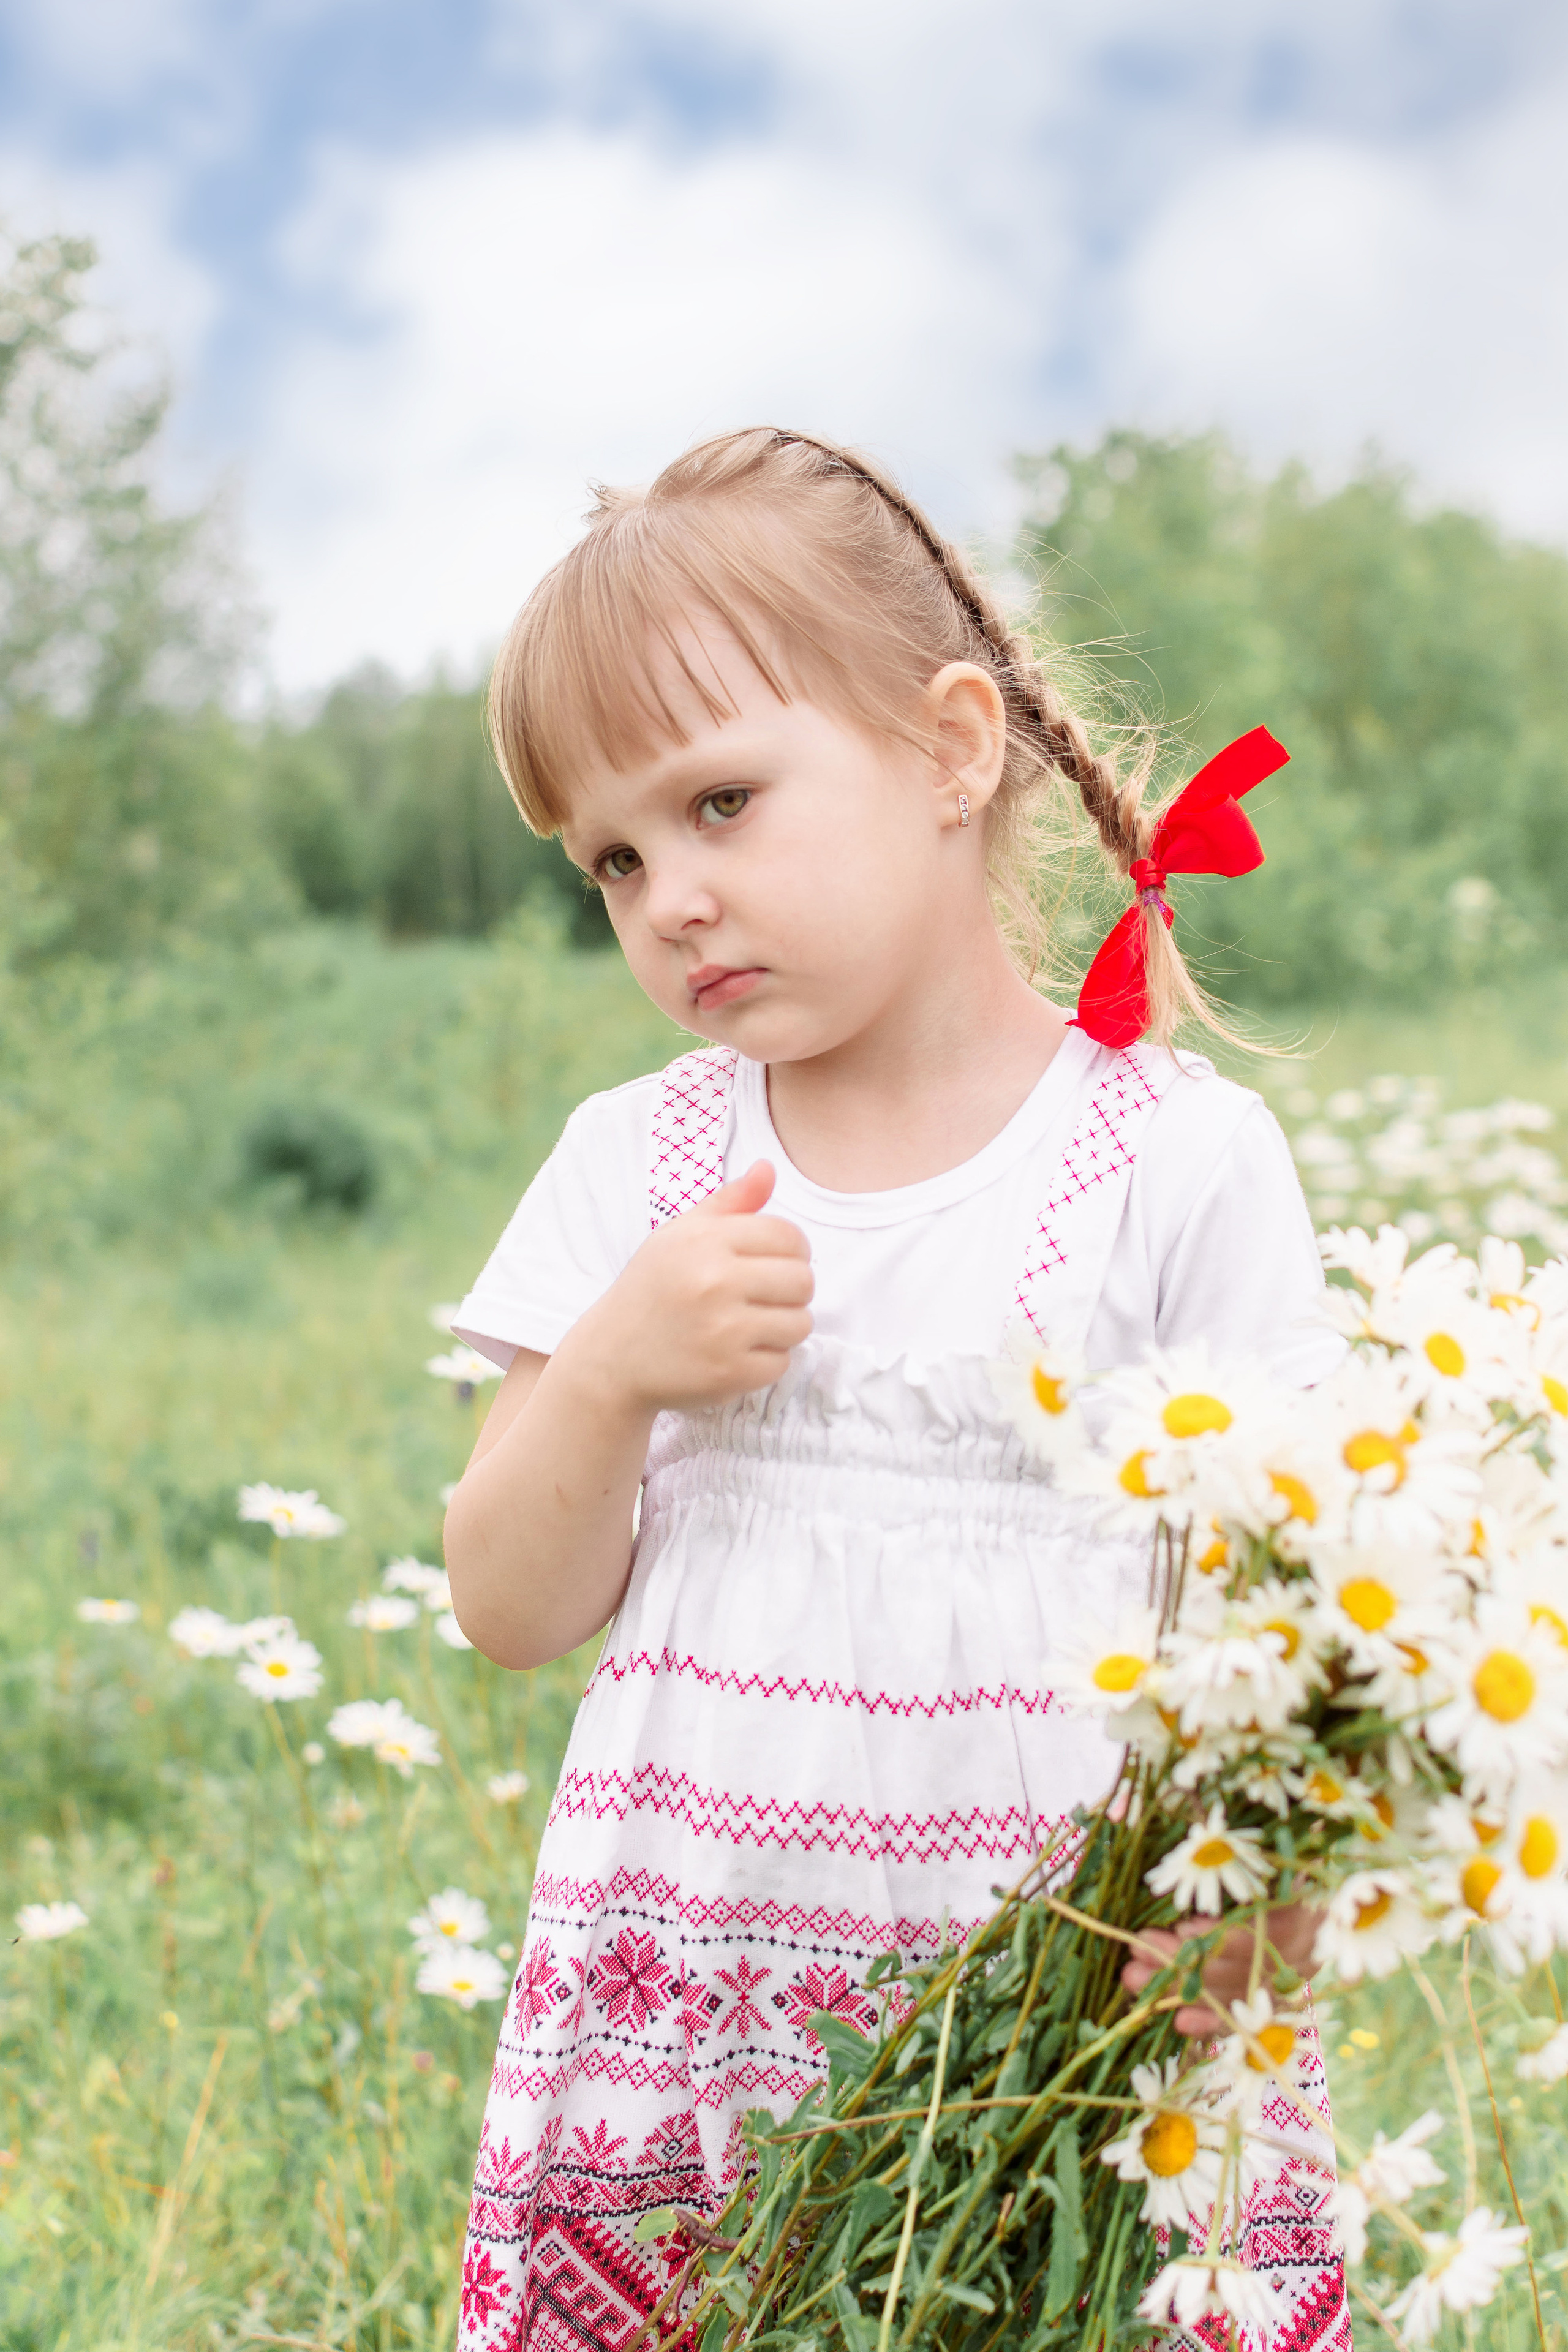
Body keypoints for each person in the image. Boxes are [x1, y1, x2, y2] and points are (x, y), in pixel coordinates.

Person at [443, 428, 1348, 2352]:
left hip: (1060, 2048)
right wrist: (610, 1372)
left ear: (950, 751)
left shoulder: (1178, 1163)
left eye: (720, 803)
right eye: (614, 857)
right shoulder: (637, 1164)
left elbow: (1311, 1605)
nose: (668, 896)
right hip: (696, 2031)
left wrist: (1263, 1903)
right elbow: (505, 1606)